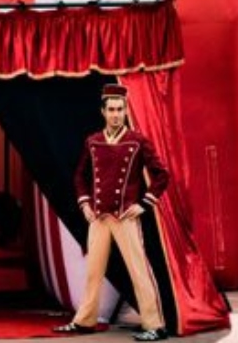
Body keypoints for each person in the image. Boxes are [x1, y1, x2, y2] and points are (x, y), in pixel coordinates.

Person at [53, 83, 170, 341]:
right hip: (98, 217)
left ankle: (155, 325)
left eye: (120, 109)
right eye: (112, 110)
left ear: (126, 111)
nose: (116, 114)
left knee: (139, 271)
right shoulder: (93, 141)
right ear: (103, 112)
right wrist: (85, 203)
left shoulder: (137, 141)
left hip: (125, 216)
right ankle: (85, 321)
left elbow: (162, 174)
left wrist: (144, 203)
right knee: (93, 272)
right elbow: (80, 176)